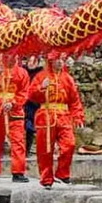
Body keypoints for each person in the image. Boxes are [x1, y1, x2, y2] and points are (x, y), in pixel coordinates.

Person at [27, 54, 83, 189]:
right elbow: (31, 95)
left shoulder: (68, 79)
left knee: (69, 145)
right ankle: (46, 178)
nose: (59, 62)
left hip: (63, 115)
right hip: (45, 114)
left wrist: (78, 116)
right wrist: (42, 88)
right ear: (51, 61)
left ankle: (63, 174)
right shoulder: (41, 76)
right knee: (45, 150)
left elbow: (74, 100)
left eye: (62, 60)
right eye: (57, 60)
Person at [0, 54, 30, 183]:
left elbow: (24, 92)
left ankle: (18, 172)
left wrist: (13, 102)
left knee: (18, 142)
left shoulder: (22, 72)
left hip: (15, 111)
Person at [22, 55, 42, 155]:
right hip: (22, 103)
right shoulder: (22, 72)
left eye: (34, 61)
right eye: (29, 61)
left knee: (30, 128)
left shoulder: (40, 74)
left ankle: (27, 149)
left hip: (34, 104)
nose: (31, 63)